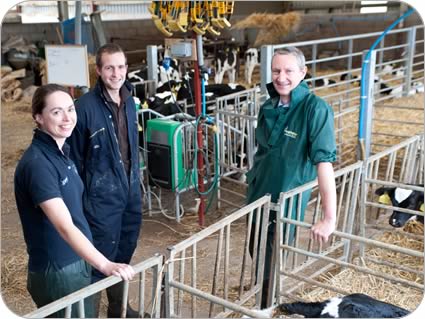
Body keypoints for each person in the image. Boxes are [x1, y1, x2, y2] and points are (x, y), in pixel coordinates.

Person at [14, 84, 135, 318]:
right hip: (59, 269)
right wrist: (105, 265)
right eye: (56, 112)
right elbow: (64, 226)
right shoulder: (39, 164)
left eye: (71, 109)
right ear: (38, 117)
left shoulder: (61, 152)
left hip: (74, 261)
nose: (67, 118)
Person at [246, 46, 337, 308]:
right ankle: (264, 296)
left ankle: (267, 305)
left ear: (302, 72)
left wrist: (329, 218)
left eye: (288, 70)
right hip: (258, 194)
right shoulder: (268, 106)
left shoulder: (315, 109)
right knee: (257, 248)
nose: (281, 77)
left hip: (286, 198)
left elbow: (324, 163)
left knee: (272, 258)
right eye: (276, 70)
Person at [67, 43, 142, 318]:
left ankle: (118, 308)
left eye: (121, 66)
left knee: (125, 248)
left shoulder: (130, 100)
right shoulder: (84, 108)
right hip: (100, 199)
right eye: (109, 67)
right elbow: (73, 159)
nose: (116, 73)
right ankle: (91, 312)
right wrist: (80, 202)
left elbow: (132, 143)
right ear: (98, 70)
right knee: (99, 260)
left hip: (130, 191)